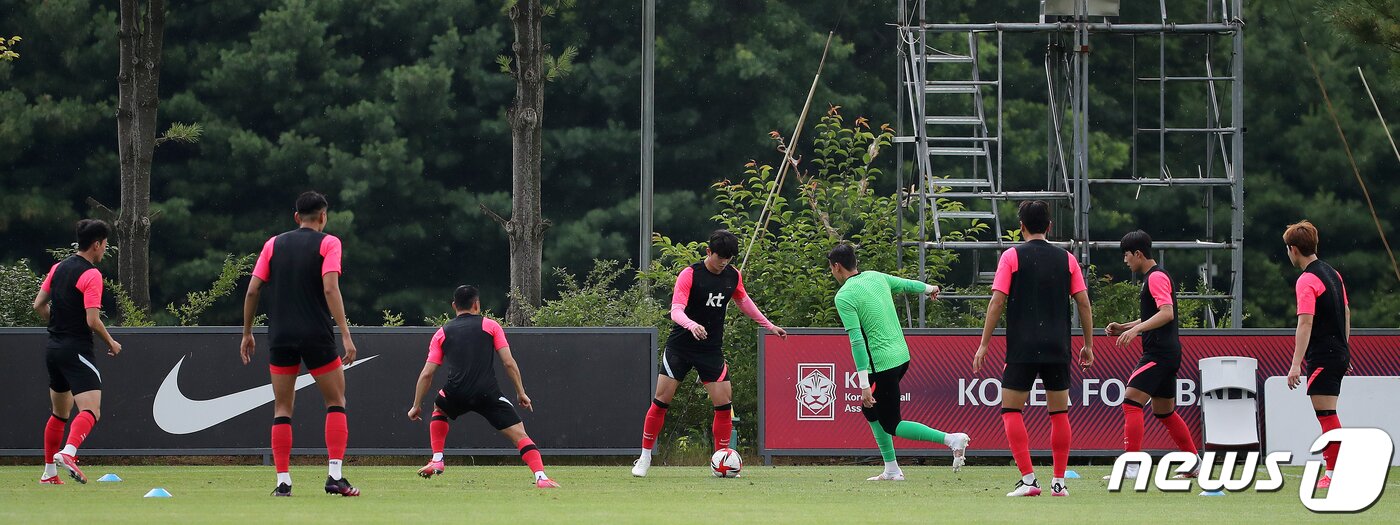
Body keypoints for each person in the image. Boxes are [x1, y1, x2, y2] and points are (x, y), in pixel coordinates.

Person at [631, 229, 787, 477]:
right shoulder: (690, 274)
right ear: (708, 252)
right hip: (681, 347)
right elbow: (676, 311)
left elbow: (743, 300)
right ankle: (645, 456)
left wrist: (768, 325)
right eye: (720, 257)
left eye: (729, 258)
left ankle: (722, 460)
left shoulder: (733, 276)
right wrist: (691, 325)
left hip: (711, 349)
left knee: (724, 405)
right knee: (662, 401)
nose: (724, 262)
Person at [241, 191, 360, 497]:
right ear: (324, 216)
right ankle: (335, 476)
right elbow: (330, 288)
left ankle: (283, 481)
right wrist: (346, 333)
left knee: (282, 407)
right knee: (336, 402)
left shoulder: (273, 244)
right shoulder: (329, 243)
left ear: (296, 217)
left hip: (280, 335)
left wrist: (247, 332)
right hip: (315, 334)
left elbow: (253, 290)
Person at [972, 200, 1093, 497]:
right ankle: (1059, 482)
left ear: (1021, 226)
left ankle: (1028, 479)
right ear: (1049, 227)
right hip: (1057, 345)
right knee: (1059, 412)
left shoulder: (1011, 256)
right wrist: (1088, 344)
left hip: (1023, 346)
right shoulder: (1067, 259)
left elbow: (997, 301)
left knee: (1011, 409)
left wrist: (984, 343)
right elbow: (1084, 303)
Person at [826, 242, 970, 481]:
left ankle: (951, 440)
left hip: (881, 365)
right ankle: (891, 468)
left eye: (831, 269)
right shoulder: (875, 277)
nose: (832, 272)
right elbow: (906, 284)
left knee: (892, 423)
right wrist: (929, 288)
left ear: (837, 267)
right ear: (856, 262)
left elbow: (857, 341)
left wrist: (863, 384)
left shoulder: (844, 296)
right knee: (871, 411)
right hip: (902, 357)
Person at [407, 285, 559, 488]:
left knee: (439, 408)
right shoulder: (491, 326)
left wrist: (416, 405)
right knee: (520, 435)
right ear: (477, 305)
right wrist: (521, 392)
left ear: (454, 306)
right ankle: (541, 477)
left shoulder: (442, 333)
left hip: (456, 392)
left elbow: (427, 374)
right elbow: (508, 362)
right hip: (487, 393)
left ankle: (437, 458)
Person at [1102, 230, 1198, 481]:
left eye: (1126, 255)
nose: (1125, 261)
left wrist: (1135, 330)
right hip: (1166, 353)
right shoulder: (1154, 277)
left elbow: (1166, 313)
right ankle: (1194, 462)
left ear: (1138, 254)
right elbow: (1155, 314)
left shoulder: (1155, 278)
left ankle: (1132, 465)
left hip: (1160, 353)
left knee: (1131, 400)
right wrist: (1125, 326)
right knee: (1164, 411)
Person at [33, 219, 121, 485]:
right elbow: (92, 321)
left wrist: (58, 323)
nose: (105, 249)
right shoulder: (91, 274)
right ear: (96, 244)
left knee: (59, 413)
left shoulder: (58, 268)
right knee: (92, 410)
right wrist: (111, 342)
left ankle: (49, 473)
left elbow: (39, 305)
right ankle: (69, 452)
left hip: (53, 348)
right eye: (105, 244)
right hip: (76, 349)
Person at [1283, 220, 1350, 489]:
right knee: (1328, 413)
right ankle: (1335, 471)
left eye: (1287, 249)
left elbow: (1305, 322)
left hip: (1324, 353)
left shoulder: (1306, 279)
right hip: (1338, 350)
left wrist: (1295, 364)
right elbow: (1345, 313)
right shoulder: (1333, 273)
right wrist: (1345, 347)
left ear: (1294, 250)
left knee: (1327, 414)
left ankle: (1333, 474)